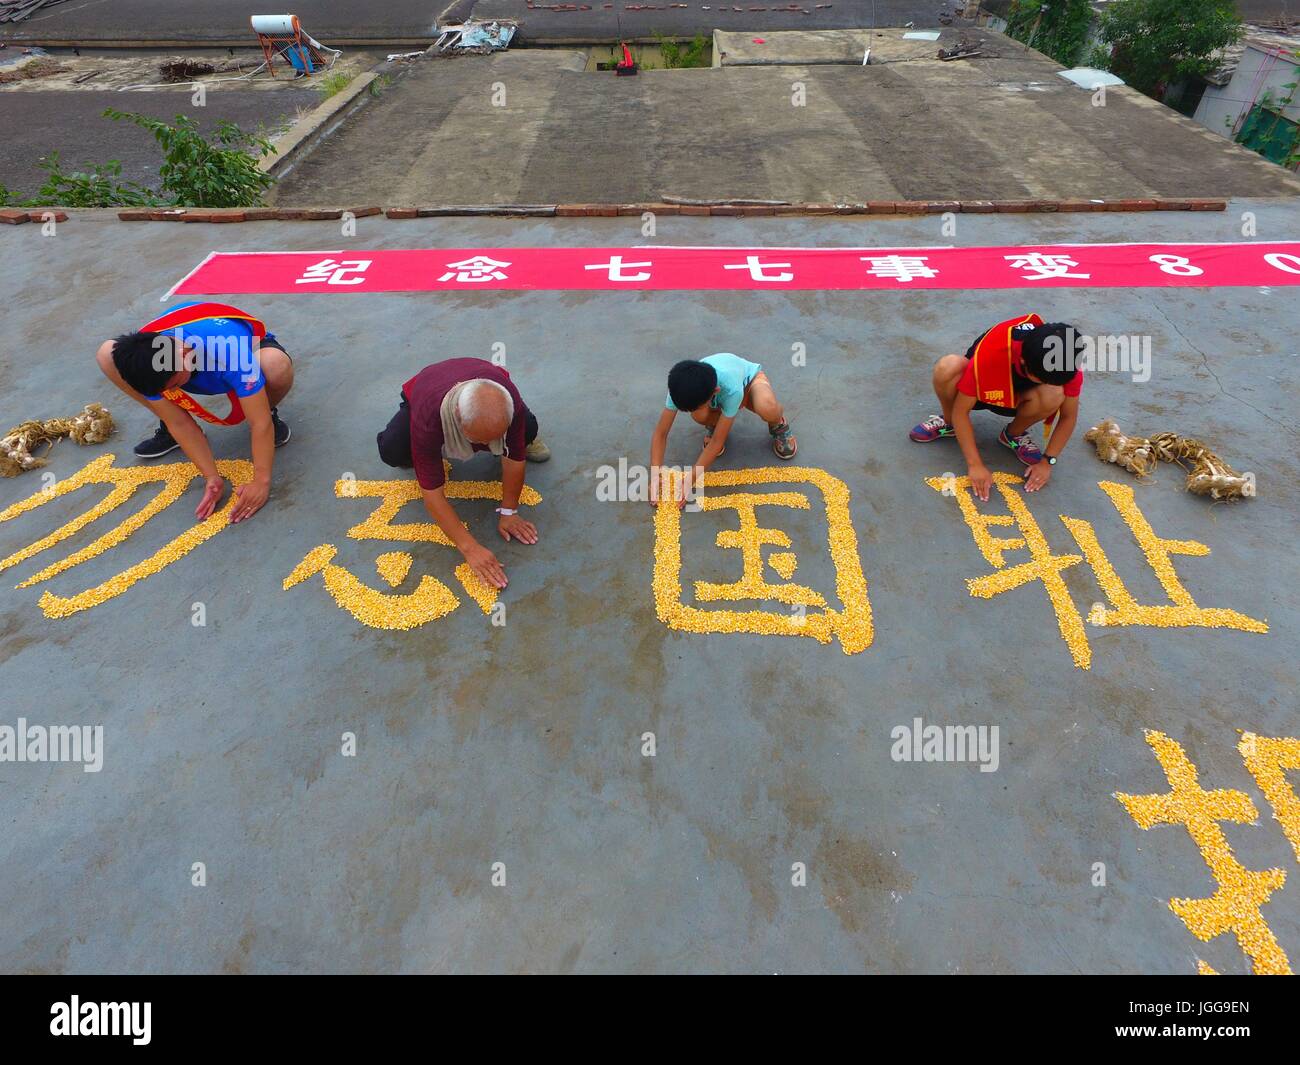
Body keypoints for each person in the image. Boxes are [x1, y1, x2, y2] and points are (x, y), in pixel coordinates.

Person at [95, 300, 293, 524]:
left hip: (243, 356)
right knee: (106, 353)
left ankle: (268, 406)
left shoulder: (231, 352)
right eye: (167, 390)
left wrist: (261, 483)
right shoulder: (148, 361)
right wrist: (211, 477)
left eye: (172, 386)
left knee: (274, 366)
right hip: (194, 367)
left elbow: (259, 424)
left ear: (183, 353)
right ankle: (166, 427)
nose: (171, 392)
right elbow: (180, 422)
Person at [376, 358, 550, 589]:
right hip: (425, 392)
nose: (488, 447)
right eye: (480, 441)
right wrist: (470, 548)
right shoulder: (429, 418)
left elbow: (514, 459)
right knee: (393, 450)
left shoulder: (510, 401)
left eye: (494, 439)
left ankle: (508, 434)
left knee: (527, 428)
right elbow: (432, 493)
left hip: (484, 383)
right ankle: (426, 449)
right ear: (456, 417)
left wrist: (509, 511)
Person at [909, 315, 1084, 501]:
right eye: (1044, 380)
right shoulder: (992, 354)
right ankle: (948, 422)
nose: (1050, 382)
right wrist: (975, 464)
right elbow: (961, 411)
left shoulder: (1064, 362)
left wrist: (1048, 461)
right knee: (948, 366)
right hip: (979, 392)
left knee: (1055, 393)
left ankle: (1013, 434)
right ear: (1024, 363)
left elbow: (1068, 416)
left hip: (1019, 400)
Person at [649, 353, 796, 508]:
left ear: (715, 392)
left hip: (749, 382)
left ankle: (778, 423)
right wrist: (654, 475)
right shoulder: (680, 387)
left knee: (767, 408)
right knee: (699, 414)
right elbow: (661, 433)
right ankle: (717, 422)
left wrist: (690, 479)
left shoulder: (732, 390)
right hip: (719, 393)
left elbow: (717, 443)